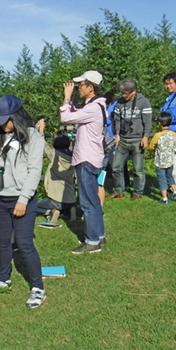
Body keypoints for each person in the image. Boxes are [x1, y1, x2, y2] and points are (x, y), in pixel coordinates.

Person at [0, 95, 46, 309]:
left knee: (25, 243)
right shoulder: (1, 137)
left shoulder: (33, 138)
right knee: (1, 240)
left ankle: (38, 288)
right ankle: (2, 279)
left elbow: (34, 171)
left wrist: (23, 200)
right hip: (2, 198)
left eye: (5, 120)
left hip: (22, 199)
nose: (1, 124)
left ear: (16, 116)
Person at [59, 70, 106, 254]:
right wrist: (70, 103)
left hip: (86, 159)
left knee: (87, 202)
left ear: (91, 88)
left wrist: (66, 98)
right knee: (93, 200)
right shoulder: (95, 106)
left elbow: (66, 117)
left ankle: (92, 242)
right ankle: (99, 236)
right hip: (92, 157)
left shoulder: (93, 108)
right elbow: (75, 114)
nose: (78, 88)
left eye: (81, 85)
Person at [106, 78, 153, 201]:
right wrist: (118, 135)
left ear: (134, 91)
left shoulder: (144, 102)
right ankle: (119, 191)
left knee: (138, 169)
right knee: (116, 166)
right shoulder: (120, 103)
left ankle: (138, 192)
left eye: (125, 93)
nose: (123, 95)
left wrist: (146, 136)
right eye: (122, 93)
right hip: (122, 140)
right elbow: (117, 120)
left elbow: (147, 121)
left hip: (138, 139)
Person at [36, 119, 75, 223]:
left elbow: (43, 145)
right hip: (71, 199)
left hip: (55, 199)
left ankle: (51, 211)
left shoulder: (54, 155)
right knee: (66, 204)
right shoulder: (74, 158)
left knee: (33, 207)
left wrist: (41, 130)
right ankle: (69, 211)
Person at [149, 112, 176, 204]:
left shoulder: (157, 135)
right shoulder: (173, 134)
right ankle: (175, 193)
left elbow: (151, 146)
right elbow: (174, 145)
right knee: (170, 177)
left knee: (162, 179)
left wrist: (152, 151)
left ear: (159, 123)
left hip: (160, 162)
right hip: (170, 160)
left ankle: (165, 199)